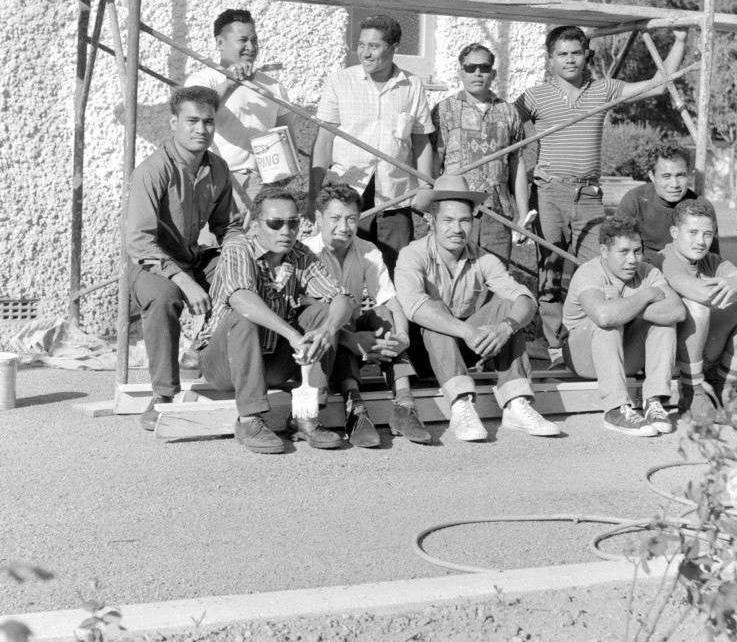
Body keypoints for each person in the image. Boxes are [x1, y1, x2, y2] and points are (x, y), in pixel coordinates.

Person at [514, 24, 687, 366]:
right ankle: (552, 345)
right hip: (549, 192)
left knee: (600, 264)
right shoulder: (534, 96)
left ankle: (597, 337)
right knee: (549, 269)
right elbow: (504, 129)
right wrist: (531, 168)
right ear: (550, 59)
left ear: (586, 55)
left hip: (589, 194)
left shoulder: (603, 89)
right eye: (562, 54)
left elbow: (657, 83)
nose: (569, 60)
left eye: (576, 52)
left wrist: (681, 40)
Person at [395, 175, 561, 442]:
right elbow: (415, 307)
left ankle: (516, 403)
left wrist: (505, 327)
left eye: (464, 220)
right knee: (435, 311)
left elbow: (525, 299)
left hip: (464, 348)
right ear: (431, 221)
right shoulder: (413, 253)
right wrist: (467, 331)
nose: (457, 229)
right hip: (420, 353)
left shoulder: (483, 257)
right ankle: (461, 404)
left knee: (508, 307)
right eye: (448, 220)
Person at [194, 185, 357, 454]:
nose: (286, 231)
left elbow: (342, 296)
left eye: (293, 223)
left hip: (273, 363)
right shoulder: (238, 247)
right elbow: (241, 298)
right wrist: (292, 335)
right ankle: (249, 421)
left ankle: (306, 415)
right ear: (256, 225)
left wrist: (329, 329)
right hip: (225, 365)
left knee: (323, 312)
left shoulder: (300, 254)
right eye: (275, 223)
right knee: (245, 317)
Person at [126, 86, 243, 431]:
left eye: (208, 122)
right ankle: (163, 394)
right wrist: (185, 281)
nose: (201, 129)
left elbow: (230, 227)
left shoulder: (218, 168)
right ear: (173, 122)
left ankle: (212, 358)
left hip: (192, 258)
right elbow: (139, 242)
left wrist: (239, 256)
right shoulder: (153, 170)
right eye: (192, 121)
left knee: (244, 276)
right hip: (149, 264)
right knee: (166, 297)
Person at [304, 182, 431, 447]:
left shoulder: (367, 249)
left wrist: (401, 338)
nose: (344, 227)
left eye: (351, 219)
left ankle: (404, 404)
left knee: (384, 313)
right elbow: (307, 316)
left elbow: (390, 300)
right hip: (322, 339)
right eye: (335, 218)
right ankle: (355, 407)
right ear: (318, 219)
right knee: (331, 318)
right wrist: (352, 340)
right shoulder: (304, 252)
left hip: (355, 331)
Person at [308, 14, 435, 270]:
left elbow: (421, 142)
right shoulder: (340, 81)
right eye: (361, 45)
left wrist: (425, 188)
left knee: (396, 269)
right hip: (347, 194)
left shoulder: (412, 86)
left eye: (374, 46)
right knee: (340, 269)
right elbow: (324, 141)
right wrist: (313, 195)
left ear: (394, 48)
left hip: (395, 196)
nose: (365, 53)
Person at [561, 217, 685, 437]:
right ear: (604, 251)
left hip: (622, 356)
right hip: (583, 356)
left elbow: (677, 311)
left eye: (638, 251)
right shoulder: (589, 272)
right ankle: (615, 409)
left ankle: (653, 401)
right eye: (623, 252)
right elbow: (605, 317)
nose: (633, 260)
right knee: (611, 321)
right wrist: (646, 295)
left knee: (664, 322)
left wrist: (625, 302)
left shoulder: (648, 272)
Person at [655, 200, 737, 419]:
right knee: (697, 306)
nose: (700, 241)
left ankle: (724, 386)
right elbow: (702, 294)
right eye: (693, 232)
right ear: (674, 232)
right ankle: (691, 392)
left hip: (702, 352)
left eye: (707, 234)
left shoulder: (712, 261)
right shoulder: (665, 259)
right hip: (670, 361)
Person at [189, 8, 297, 222]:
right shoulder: (203, 80)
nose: (251, 47)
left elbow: (286, 135)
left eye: (254, 40)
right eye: (243, 40)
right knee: (211, 250)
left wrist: (286, 172)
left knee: (253, 251)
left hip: (260, 184)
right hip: (213, 181)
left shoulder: (273, 86)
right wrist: (230, 83)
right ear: (220, 43)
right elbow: (198, 113)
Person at [431, 42, 529, 262]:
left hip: (498, 213)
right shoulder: (444, 110)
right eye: (470, 68)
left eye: (484, 68)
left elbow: (516, 163)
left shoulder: (509, 112)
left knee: (496, 281)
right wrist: (433, 209)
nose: (477, 73)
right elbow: (435, 161)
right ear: (460, 72)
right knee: (454, 277)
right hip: (456, 213)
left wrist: (523, 213)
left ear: (493, 73)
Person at [616, 142, 719, 258]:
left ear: (688, 174)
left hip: (687, 272)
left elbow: (713, 259)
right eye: (666, 176)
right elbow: (618, 252)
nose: (674, 184)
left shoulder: (702, 208)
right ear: (652, 176)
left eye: (680, 175)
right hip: (644, 271)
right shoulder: (635, 201)